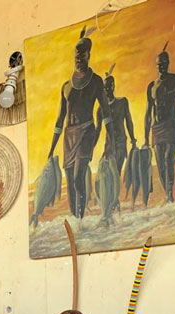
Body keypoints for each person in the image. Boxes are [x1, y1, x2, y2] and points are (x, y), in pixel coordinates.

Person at [47, 27, 111, 221]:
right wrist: (51, 150)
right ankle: (76, 224)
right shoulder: (66, 87)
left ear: (88, 55)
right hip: (69, 136)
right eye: (76, 55)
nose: (78, 59)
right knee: (70, 182)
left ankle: (81, 218)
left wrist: (112, 143)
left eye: (82, 55)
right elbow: (59, 121)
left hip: (86, 133)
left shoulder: (96, 82)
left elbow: (106, 114)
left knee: (77, 178)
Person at [144, 43, 175, 203]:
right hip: (157, 129)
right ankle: (167, 194)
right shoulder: (151, 86)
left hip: (172, 126)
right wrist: (145, 138)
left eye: (164, 64)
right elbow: (147, 114)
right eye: (159, 65)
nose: (161, 67)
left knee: (168, 159)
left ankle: (169, 195)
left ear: (168, 63)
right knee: (160, 165)